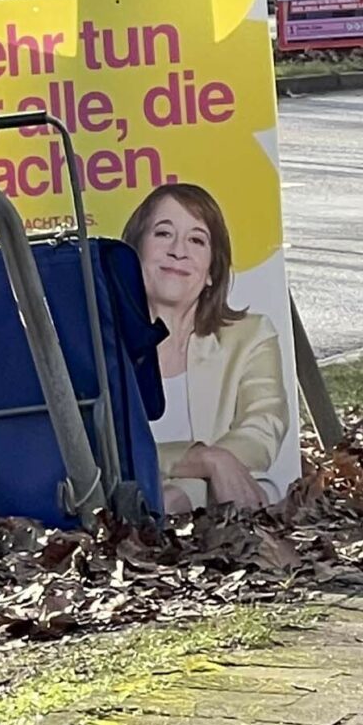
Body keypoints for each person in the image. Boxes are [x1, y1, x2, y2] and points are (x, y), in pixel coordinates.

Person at [122, 182, 289, 513]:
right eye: (163, 233)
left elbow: (263, 429)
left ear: (212, 270)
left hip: (228, 515)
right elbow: (99, 454)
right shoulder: (99, 346)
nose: (178, 250)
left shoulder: (251, 336)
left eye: (196, 240)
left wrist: (188, 491)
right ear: (134, 252)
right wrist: (205, 459)